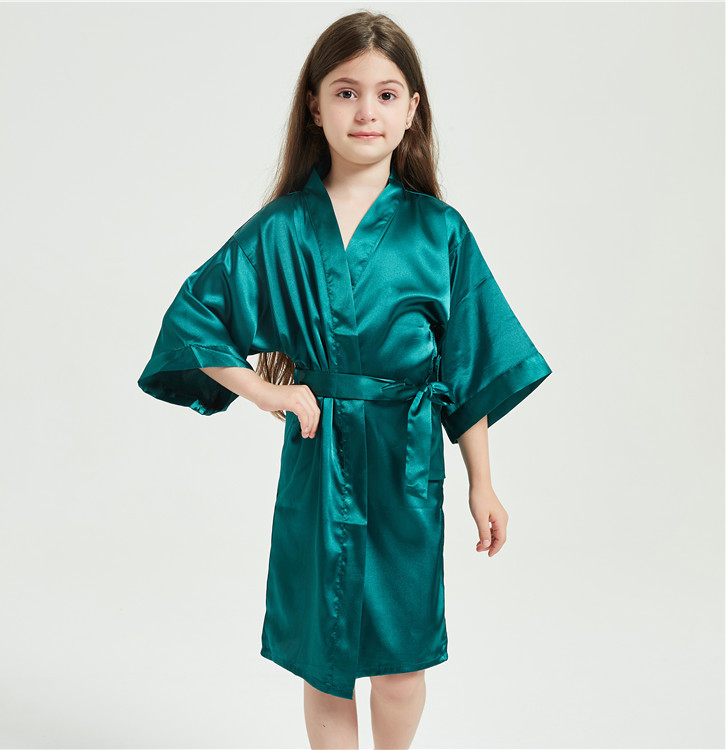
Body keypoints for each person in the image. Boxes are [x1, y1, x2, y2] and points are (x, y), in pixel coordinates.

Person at [137, 10, 552, 750]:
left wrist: (482, 484)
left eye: (386, 95)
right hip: (320, 456)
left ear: (412, 109)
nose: (367, 111)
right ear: (315, 105)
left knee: (401, 662)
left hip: (406, 462)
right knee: (325, 662)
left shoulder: (441, 231)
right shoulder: (282, 228)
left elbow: (471, 369)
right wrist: (265, 391)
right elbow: (194, 318)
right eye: (346, 92)